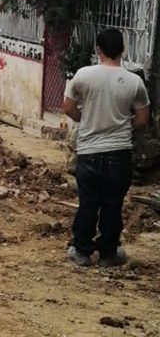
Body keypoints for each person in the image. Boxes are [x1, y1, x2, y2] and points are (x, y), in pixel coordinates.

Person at [63, 28, 149, 268]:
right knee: (113, 204)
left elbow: (68, 108)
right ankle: (109, 253)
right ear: (123, 50)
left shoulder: (83, 76)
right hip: (119, 154)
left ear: (97, 50)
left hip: (89, 152)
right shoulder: (134, 81)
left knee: (88, 203)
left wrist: (88, 119)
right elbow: (142, 120)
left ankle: (81, 251)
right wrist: (122, 127)